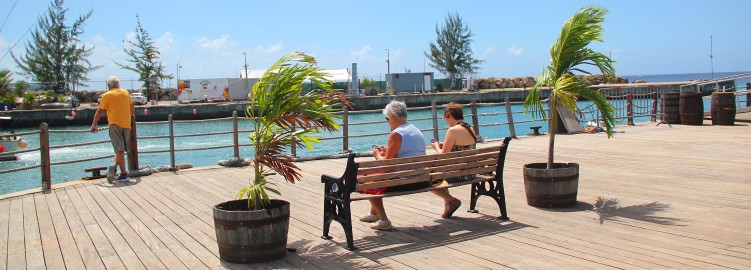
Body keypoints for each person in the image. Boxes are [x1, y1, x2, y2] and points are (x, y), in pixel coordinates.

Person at [359, 100, 430, 230]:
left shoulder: (396, 133)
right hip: (420, 176)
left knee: (366, 179)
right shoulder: (414, 129)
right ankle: (374, 213)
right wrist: (388, 150)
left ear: (392, 117)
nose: (387, 122)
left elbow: (386, 164)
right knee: (371, 175)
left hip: (406, 180)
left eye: (387, 119)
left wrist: (377, 155)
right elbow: (405, 151)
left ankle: (384, 220)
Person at [430, 102, 479, 215]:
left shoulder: (452, 130)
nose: (447, 121)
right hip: (472, 172)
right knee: (438, 174)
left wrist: (436, 146)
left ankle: (451, 201)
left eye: (446, 118)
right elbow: (462, 146)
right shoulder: (470, 128)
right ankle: (448, 205)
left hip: (458, 174)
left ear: (450, 116)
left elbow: (443, 156)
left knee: (431, 179)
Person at [91, 76, 135, 183]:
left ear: (109, 86)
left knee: (119, 149)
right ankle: (114, 166)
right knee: (120, 148)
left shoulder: (107, 95)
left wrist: (94, 124)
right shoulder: (125, 93)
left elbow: (100, 110)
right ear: (118, 85)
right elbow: (132, 105)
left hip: (115, 124)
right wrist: (130, 116)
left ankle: (124, 174)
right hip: (126, 124)